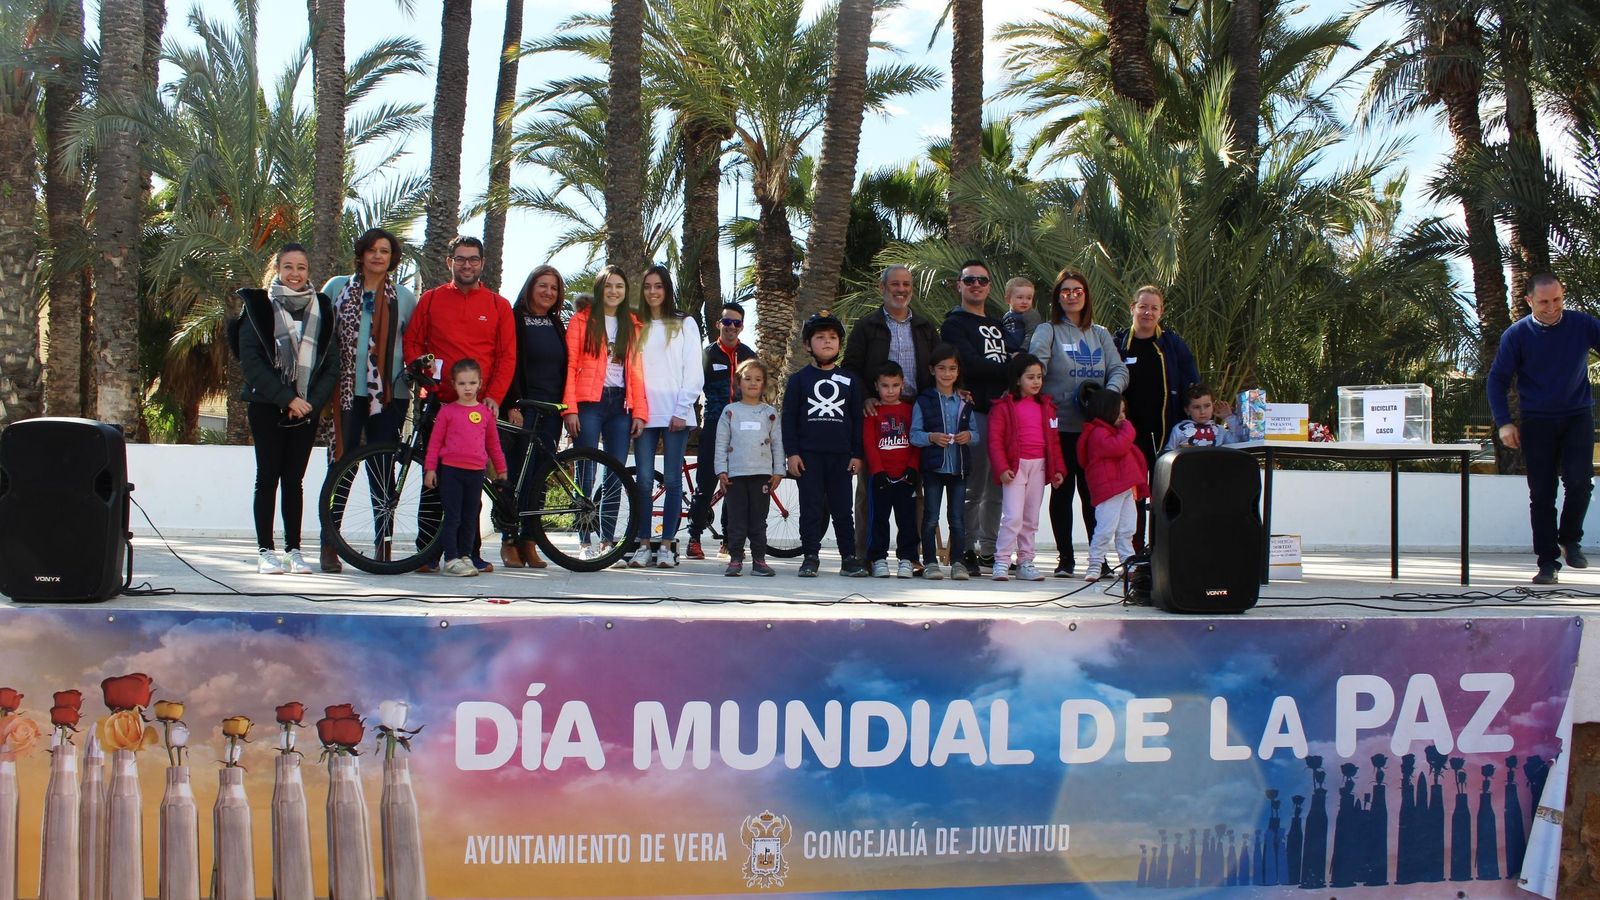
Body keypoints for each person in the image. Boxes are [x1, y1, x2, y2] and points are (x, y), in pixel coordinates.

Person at [403, 236, 517, 572]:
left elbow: (507, 356)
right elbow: (413, 343)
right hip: (438, 405)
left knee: (473, 483)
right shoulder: (431, 299)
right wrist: (424, 376)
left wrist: (493, 397)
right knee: (432, 475)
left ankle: (471, 553)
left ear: (482, 264)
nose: (466, 265)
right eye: (460, 259)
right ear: (449, 262)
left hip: (478, 410)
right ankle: (427, 553)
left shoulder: (498, 305)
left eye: (473, 259)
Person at [1487, 274, 1600, 584]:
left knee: (1580, 483)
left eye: (1558, 300)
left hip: (1577, 415)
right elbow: (1497, 380)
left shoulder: (1583, 324)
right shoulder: (1517, 335)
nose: (1552, 308)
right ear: (1529, 302)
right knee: (1542, 493)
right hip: (1537, 421)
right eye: (1544, 302)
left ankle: (1570, 539)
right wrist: (1504, 422)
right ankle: (1547, 563)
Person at [320, 227, 418, 572]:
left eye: (386, 251)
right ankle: (330, 544)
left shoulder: (404, 298)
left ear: (392, 259)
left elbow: (415, 346)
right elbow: (319, 339)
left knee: (382, 472)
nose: (378, 256)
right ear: (361, 254)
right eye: (373, 250)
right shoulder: (336, 288)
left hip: (389, 398)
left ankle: (384, 545)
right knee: (341, 470)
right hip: (345, 395)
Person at [239, 244, 338, 574]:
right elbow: (251, 363)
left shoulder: (322, 309)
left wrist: (308, 403)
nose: (295, 274)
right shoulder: (258, 308)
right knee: (267, 478)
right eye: (288, 267)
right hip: (268, 405)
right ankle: (265, 551)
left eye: (302, 267)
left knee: (293, 480)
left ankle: (293, 550)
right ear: (277, 269)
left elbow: (331, 364)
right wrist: (287, 398)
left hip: (305, 411)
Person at [1029, 268, 1128, 578]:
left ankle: (1098, 559)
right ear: (1058, 297)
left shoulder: (1099, 333)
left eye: (1078, 290)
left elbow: (1119, 371)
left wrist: (1106, 399)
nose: (1072, 295)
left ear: (1086, 296)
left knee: (1093, 494)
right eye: (1065, 291)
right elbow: (1036, 368)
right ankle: (1066, 559)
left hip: (1095, 430)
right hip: (1060, 428)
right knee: (1062, 492)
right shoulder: (1048, 330)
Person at [844, 264, 944, 563]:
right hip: (877, 413)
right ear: (882, 288)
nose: (901, 290)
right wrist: (864, 398)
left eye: (906, 284)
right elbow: (850, 367)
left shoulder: (926, 327)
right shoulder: (868, 326)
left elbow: (940, 365)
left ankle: (910, 556)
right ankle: (865, 556)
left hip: (915, 413)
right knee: (870, 488)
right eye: (895, 284)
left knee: (913, 487)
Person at [562, 265, 649, 560]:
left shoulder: (633, 325)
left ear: (625, 292)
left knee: (615, 473)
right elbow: (570, 366)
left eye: (619, 287)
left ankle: (607, 541)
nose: (614, 291)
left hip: (620, 405)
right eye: (609, 285)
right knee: (586, 470)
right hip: (589, 402)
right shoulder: (581, 320)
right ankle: (585, 540)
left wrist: (639, 411)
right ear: (600, 289)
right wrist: (569, 409)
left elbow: (637, 373)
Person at [629, 265, 706, 568]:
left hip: (677, 414)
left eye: (658, 286)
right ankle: (643, 543)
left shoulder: (684, 323)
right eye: (647, 286)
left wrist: (682, 408)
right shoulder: (635, 324)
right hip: (644, 414)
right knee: (644, 481)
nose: (652, 292)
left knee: (673, 480)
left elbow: (693, 370)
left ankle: (667, 545)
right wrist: (636, 409)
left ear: (666, 289)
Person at [941, 259, 1011, 575]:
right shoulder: (954, 324)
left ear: (989, 286)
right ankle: (965, 548)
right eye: (969, 280)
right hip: (976, 413)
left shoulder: (999, 325)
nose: (976, 285)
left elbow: (1018, 357)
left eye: (982, 280)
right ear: (959, 284)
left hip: (1004, 414)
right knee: (972, 488)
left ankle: (990, 550)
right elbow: (969, 364)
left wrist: (1014, 367)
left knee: (998, 487)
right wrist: (1011, 369)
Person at [783, 312, 866, 578]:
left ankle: (849, 557)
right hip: (809, 456)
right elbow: (789, 418)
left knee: (843, 509)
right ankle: (810, 556)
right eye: (820, 337)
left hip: (841, 456)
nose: (827, 342)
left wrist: (857, 454)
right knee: (811, 508)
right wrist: (792, 453)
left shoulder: (850, 380)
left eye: (832, 337)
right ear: (808, 345)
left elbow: (856, 420)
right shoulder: (798, 380)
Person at [499, 265, 568, 569]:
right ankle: (509, 540)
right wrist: (511, 404)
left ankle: (530, 540)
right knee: (514, 475)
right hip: (522, 408)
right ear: (530, 287)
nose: (548, 292)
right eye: (542, 286)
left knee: (539, 478)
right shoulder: (514, 318)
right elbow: (508, 361)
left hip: (550, 411)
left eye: (553, 288)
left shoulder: (556, 323)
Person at [423, 359, 508, 577]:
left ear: (480, 383)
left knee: (471, 516)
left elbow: (493, 445)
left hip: (476, 473)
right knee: (453, 516)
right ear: (453, 384)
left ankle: (465, 555)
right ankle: (450, 558)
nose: (467, 388)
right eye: (462, 384)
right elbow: (435, 443)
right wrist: (430, 469)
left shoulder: (485, 413)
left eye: (472, 383)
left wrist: (501, 470)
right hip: (451, 471)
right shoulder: (447, 412)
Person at [687, 302, 757, 560]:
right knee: (706, 484)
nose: (731, 327)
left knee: (735, 487)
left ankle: (728, 541)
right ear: (718, 324)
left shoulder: (749, 355)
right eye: (726, 322)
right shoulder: (707, 354)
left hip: (742, 429)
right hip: (714, 426)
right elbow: (692, 390)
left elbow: (757, 391)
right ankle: (694, 538)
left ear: (742, 326)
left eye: (736, 323)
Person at [987, 353, 1066, 583]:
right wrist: (1002, 468)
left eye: (1039, 377)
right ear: (1017, 379)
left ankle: (1025, 562)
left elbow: (1054, 442)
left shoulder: (1047, 406)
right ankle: (1001, 561)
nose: (1036, 382)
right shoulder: (1003, 407)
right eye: (1030, 377)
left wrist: (1057, 469)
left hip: (1039, 467)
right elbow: (995, 441)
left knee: (1031, 518)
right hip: (1015, 467)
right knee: (1012, 517)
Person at [911, 344, 978, 581]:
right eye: (942, 368)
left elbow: (975, 433)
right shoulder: (924, 400)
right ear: (932, 370)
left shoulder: (965, 400)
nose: (947, 374)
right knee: (930, 518)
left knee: (957, 519)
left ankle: (958, 562)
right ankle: (929, 562)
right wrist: (931, 437)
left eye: (952, 368)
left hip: (959, 469)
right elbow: (914, 435)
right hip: (933, 469)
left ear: (958, 371)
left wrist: (968, 436)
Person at [715, 359, 785, 577]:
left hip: (762, 476)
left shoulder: (769, 413)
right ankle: (735, 558)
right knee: (736, 519)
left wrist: (778, 470)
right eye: (747, 379)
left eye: (758, 379)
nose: (752, 383)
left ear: (764, 385)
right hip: (735, 476)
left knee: (758, 520)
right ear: (738, 382)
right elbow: (721, 443)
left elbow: (777, 442)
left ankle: (759, 560)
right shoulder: (730, 412)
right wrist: (721, 470)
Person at [1078, 389, 1149, 582]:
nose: (1123, 417)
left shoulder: (1110, 432)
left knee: (1127, 529)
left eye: (1124, 412)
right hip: (1110, 490)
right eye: (1119, 412)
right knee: (1105, 529)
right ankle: (1095, 565)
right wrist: (1129, 428)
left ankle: (1128, 563)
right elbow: (1117, 447)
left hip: (1125, 488)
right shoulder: (1098, 433)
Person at [864, 362, 920, 578]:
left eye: (895, 385)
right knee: (879, 519)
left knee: (907, 520)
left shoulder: (910, 410)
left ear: (902, 385)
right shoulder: (872, 412)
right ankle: (878, 559)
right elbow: (869, 443)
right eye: (885, 386)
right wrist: (877, 471)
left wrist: (912, 469)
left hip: (906, 477)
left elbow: (915, 442)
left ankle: (906, 559)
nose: (890, 390)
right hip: (881, 477)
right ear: (876, 386)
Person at [1163, 384, 1237, 452]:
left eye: (1207, 406)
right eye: (1196, 407)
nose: (1202, 411)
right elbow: (1167, 454)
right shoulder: (1179, 430)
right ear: (1187, 410)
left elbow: (1237, 443)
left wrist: (1229, 417)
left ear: (1213, 406)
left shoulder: (1220, 431)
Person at [1001, 277, 1041, 352]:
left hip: (1022, 353)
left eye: (1029, 298)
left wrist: (1022, 350)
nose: (1025, 301)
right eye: (1020, 297)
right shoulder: (1006, 316)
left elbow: (1032, 334)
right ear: (1007, 299)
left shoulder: (1030, 314)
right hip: (1005, 352)